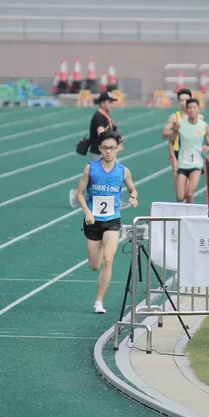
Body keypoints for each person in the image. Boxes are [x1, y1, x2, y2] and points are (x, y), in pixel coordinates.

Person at [76, 130, 138, 314]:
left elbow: (133, 189)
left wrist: (133, 197)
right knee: (95, 266)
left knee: (108, 260)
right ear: (100, 149)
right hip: (93, 221)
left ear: (118, 148)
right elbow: (79, 193)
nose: (108, 151)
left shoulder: (123, 171)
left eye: (112, 148)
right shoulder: (90, 168)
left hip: (112, 220)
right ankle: (101, 246)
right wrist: (87, 212)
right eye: (105, 148)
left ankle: (98, 302)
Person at [69, 91, 122, 208]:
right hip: (100, 152)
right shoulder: (99, 117)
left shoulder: (105, 116)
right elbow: (101, 135)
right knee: (98, 177)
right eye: (110, 102)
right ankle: (76, 194)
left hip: (106, 152)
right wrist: (114, 140)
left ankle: (114, 199)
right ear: (102, 103)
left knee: (108, 175)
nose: (111, 105)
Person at [168, 98, 209, 204]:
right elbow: (170, 143)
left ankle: (189, 216)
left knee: (190, 194)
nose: (192, 110)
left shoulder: (204, 126)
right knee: (180, 198)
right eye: (189, 108)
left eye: (194, 108)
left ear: (199, 110)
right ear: (186, 110)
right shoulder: (180, 125)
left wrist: (208, 148)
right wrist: (174, 159)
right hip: (182, 164)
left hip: (197, 164)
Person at [162, 88, 192, 188]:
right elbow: (164, 134)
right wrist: (175, 131)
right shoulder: (174, 117)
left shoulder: (197, 117)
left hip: (191, 153)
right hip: (177, 153)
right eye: (181, 100)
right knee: (179, 189)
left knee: (189, 190)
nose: (184, 103)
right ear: (178, 102)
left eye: (186, 100)